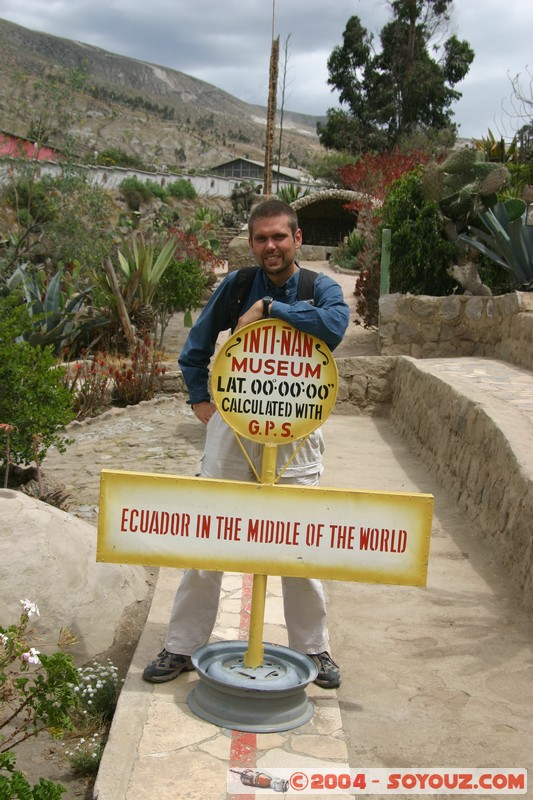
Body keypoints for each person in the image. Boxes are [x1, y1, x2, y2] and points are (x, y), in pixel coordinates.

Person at [143, 198, 350, 689]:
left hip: (296, 433)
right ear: (253, 242)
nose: (271, 246)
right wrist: (201, 403)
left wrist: (272, 308)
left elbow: (335, 326)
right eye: (261, 238)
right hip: (233, 430)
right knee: (209, 535)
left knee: (298, 542)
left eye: (280, 236)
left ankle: (313, 649)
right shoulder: (236, 286)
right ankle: (182, 645)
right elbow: (194, 349)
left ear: (297, 239)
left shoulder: (319, 288)